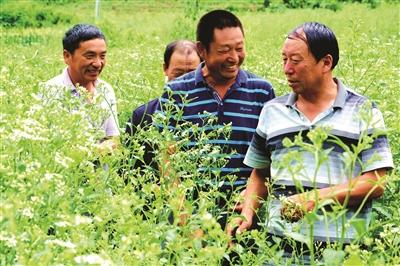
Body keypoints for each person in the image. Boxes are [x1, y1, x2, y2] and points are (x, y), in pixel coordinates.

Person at [228, 22, 394, 260]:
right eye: (284, 59)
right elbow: (260, 174)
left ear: (326, 63)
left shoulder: (364, 110)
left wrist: (313, 199)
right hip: (279, 254)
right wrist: (246, 212)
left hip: (342, 256)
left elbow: (376, 182)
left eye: (295, 61)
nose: (287, 69)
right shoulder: (272, 111)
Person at [158, 10, 275, 228]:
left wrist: (249, 205)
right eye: (224, 50)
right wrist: (185, 215)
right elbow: (166, 156)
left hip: (246, 219)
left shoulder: (262, 91)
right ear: (202, 50)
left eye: (239, 48)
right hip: (190, 219)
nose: (234, 57)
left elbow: (269, 158)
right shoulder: (175, 91)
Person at [125, 40, 201, 167]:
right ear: (165, 69)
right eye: (178, 74)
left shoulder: (214, 113)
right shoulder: (143, 116)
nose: (184, 81)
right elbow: (131, 170)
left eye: (191, 74)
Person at [45, 24, 119, 148]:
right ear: (67, 56)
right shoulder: (51, 91)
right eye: (89, 56)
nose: (97, 63)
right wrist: (99, 150)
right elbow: (53, 147)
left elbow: (114, 139)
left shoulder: (105, 90)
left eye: (102, 56)